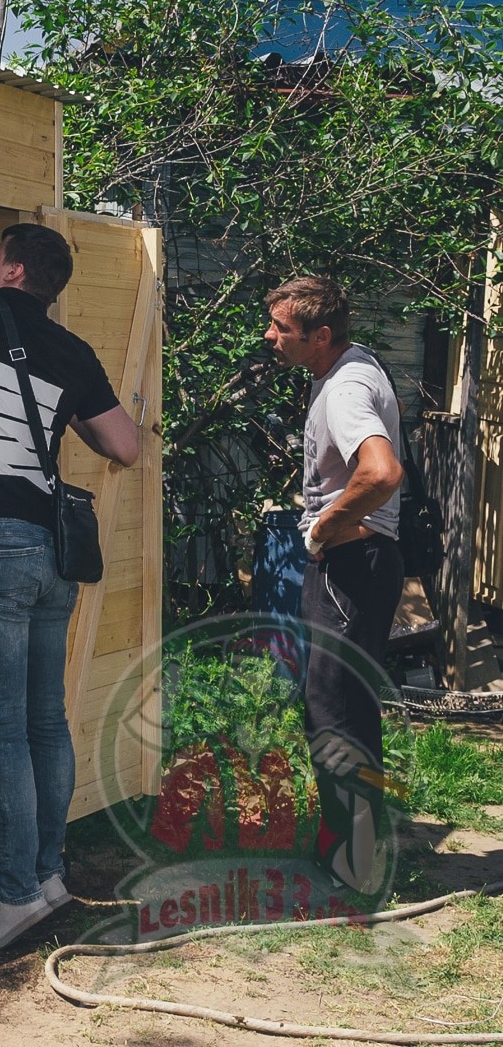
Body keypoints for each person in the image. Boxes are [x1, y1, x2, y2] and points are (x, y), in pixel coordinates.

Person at [0, 223, 139, 952]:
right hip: (53, 553)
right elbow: (124, 445)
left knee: (0, 732)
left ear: (12, 271)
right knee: (43, 722)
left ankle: (15, 894)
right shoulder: (71, 353)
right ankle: (48, 876)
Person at [264, 277, 404, 892]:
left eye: (282, 329)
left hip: (350, 566)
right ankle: (358, 847)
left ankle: (354, 859)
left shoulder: (345, 387)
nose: (270, 337)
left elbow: (381, 472)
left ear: (320, 336)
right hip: (363, 566)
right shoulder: (354, 366)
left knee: (332, 712)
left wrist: (323, 525)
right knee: (351, 705)